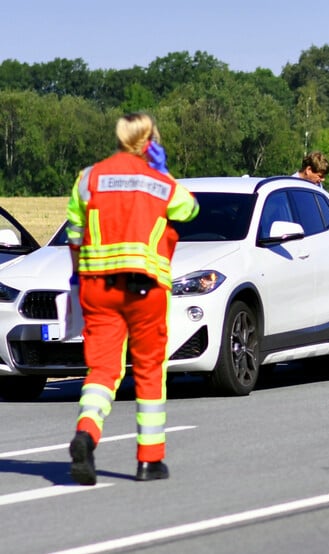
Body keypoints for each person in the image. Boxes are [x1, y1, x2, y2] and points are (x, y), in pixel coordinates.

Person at [65, 113, 199, 485]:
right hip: (145, 288)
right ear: (150, 141)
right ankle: (149, 460)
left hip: (97, 286)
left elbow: (74, 233)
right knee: (149, 369)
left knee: (103, 370)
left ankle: (87, 433)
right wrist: (165, 172)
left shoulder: (88, 178)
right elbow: (190, 209)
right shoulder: (158, 182)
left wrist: (77, 278)